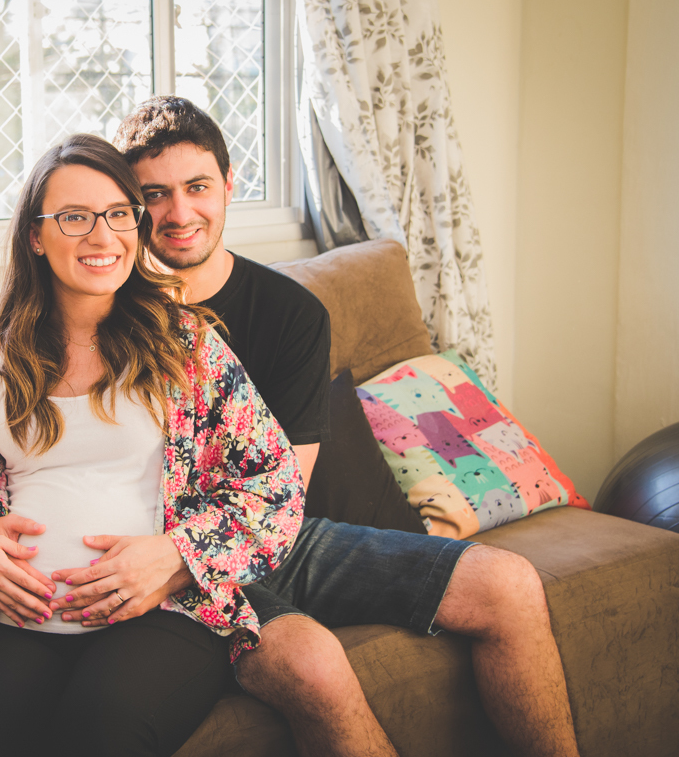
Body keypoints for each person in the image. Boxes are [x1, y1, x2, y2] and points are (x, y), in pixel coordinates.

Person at [58, 95, 575, 757]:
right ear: (126, 204)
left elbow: (283, 498)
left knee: (510, 583)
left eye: (196, 187)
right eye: (154, 194)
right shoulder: (102, 308)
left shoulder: (291, 313)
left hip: (276, 533)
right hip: (172, 570)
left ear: (228, 184)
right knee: (316, 663)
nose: (179, 213)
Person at [0, 132, 305, 757]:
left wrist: (178, 555)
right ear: (36, 236)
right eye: (74, 217)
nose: (102, 235)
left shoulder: (188, 348)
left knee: (102, 726)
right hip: (19, 621)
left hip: (162, 615)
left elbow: (275, 483)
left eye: (119, 214)